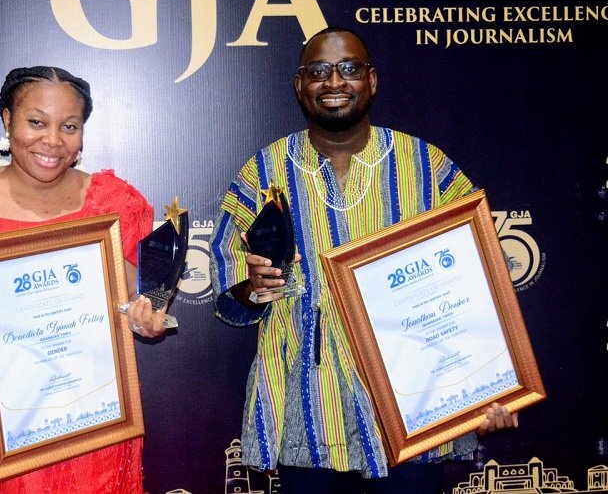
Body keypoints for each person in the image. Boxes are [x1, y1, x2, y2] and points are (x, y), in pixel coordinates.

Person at [209, 27, 518, 493]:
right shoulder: (264, 172)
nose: (334, 82)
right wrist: (254, 287)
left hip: (412, 405)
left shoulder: (424, 166)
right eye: (319, 71)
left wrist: (493, 387)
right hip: (307, 408)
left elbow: (479, 279)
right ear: (300, 85)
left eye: (349, 68)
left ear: (371, 80)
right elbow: (228, 293)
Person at [0, 66, 167, 493]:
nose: (52, 140)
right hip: (19, 433)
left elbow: (141, 297)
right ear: (7, 119)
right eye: (36, 122)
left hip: (100, 424)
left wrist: (145, 317)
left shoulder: (114, 204)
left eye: (69, 126)